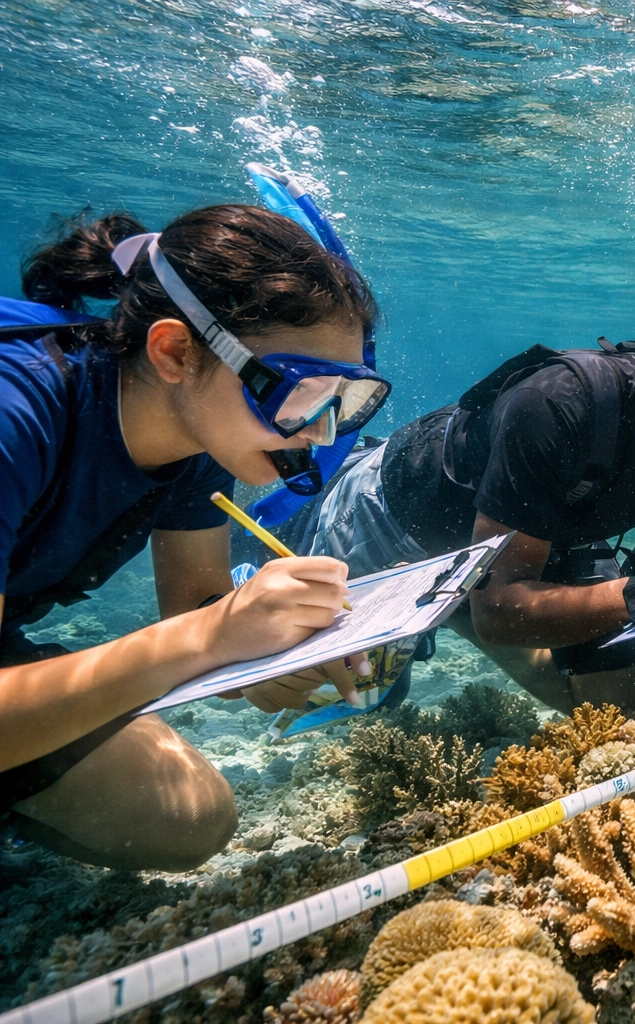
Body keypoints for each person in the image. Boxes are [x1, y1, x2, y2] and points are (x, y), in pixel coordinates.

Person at [0, 205, 389, 870]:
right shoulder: (15, 413)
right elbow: (198, 633)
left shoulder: (200, 433)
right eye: (300, 394)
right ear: (175, 351)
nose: (321, 434)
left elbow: (194, 614)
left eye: (348, 402)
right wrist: (214, 638)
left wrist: (273, 657)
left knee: (188, 820)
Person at [279, 270, 635, 714]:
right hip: (402, 522)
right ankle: (293, 528)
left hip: (547, 536)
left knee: (632, 720)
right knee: (347, 697)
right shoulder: (559, 403)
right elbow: (502, 612)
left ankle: (461, 603)